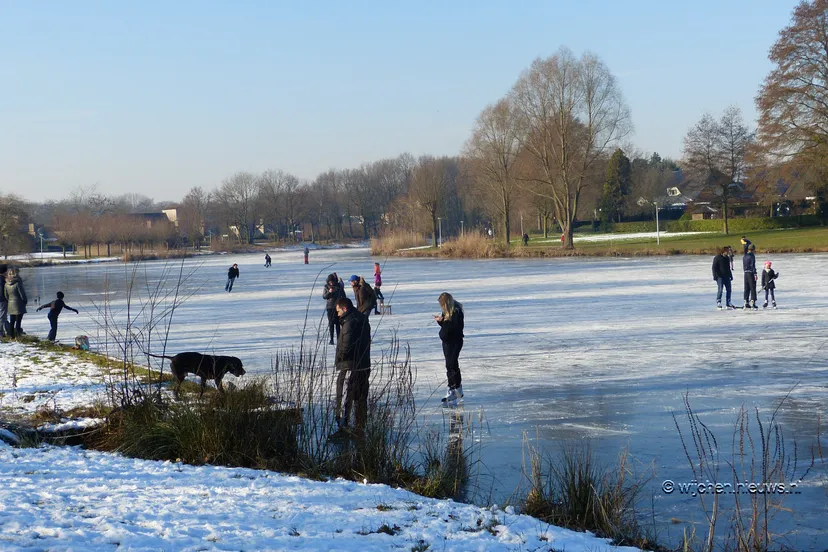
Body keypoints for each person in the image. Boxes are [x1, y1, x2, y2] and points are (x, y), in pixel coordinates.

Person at [332, 297, 371, 439]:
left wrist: (340, 357)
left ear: (345, 309)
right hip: (363, 365)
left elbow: (346, 346)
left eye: (338, 311)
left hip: (349, 365)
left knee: (344, 396)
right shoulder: (363, 319)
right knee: (360, 398)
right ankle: (360, 427)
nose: (338, 315)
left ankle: (343, 427)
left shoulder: (349, 322)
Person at [434, 292, 465, 407]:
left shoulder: (456, 312)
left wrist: (444, 322)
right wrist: (441, 321)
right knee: (449, 365)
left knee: (452, 363)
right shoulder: (446, 311)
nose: (442, 307)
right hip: (447, 342)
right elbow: (446, 327)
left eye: (442, 304)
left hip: (455, 342)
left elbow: (455, 328)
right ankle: (452, 388)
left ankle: (456, 388)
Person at [4, 268, 28, 338]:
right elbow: (22, 294)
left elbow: (6, 295)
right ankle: (18, 334)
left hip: (10, 303)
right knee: (18, 320)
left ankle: (11, 335)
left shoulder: (6, 284)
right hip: (19, 303)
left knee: (12, 320)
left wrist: (9, 300)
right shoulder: (17, 283)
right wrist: (25, 301)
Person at [323, 273, 345, 345]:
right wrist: (329, 292)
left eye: (332, 281)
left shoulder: (338, 286)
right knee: (331, 324)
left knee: (338, 324)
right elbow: (324, 296)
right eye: (330, 282)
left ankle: (339, 339)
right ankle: (331, 339)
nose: (331, 283)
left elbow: (343, 295)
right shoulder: (326, 287)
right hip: (330, 307)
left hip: (338, 307)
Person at [743, 243, 758, 309]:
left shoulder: (745, 256)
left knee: (746, 288)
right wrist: (755, 273)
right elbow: (752, 265)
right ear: (753, 249)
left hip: (745, 273)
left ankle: (745, 302)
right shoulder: (752, 256)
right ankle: (752, 302)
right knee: (752, 288)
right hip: (751, 273)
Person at [0, 264, 10, 337]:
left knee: (3, 316)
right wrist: (6, 298)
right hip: (2, 300)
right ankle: (1, 332)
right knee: (2, 316)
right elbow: (2, 291)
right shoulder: (2, 280)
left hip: (2, 299)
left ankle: (7, 330)